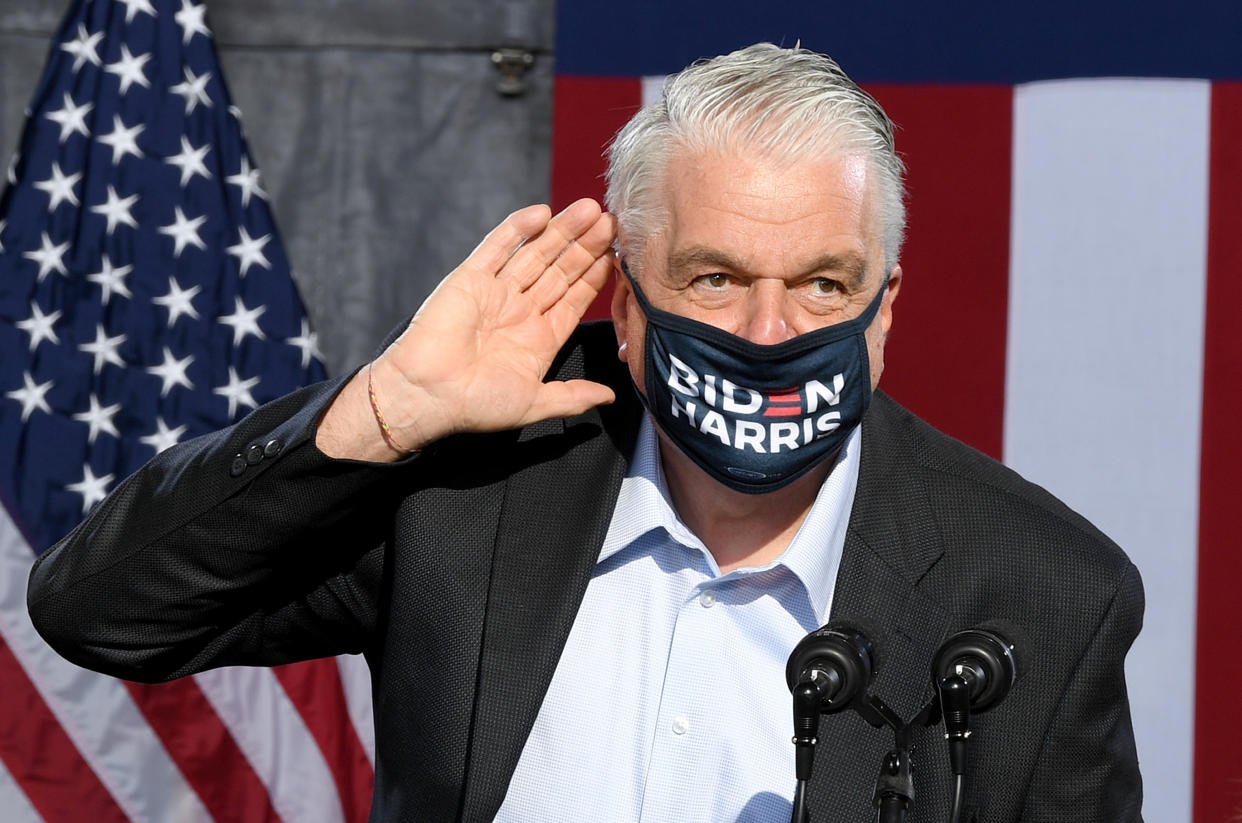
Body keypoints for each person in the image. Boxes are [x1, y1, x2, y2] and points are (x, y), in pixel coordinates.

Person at [28, 44, 1143, 821]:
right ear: (625, 298)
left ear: (885, 305)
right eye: (713, 277)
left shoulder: (1040, 594)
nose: (768, 330)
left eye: (821, 283)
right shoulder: (467, 489)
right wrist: (375, 418)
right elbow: (100, 613)